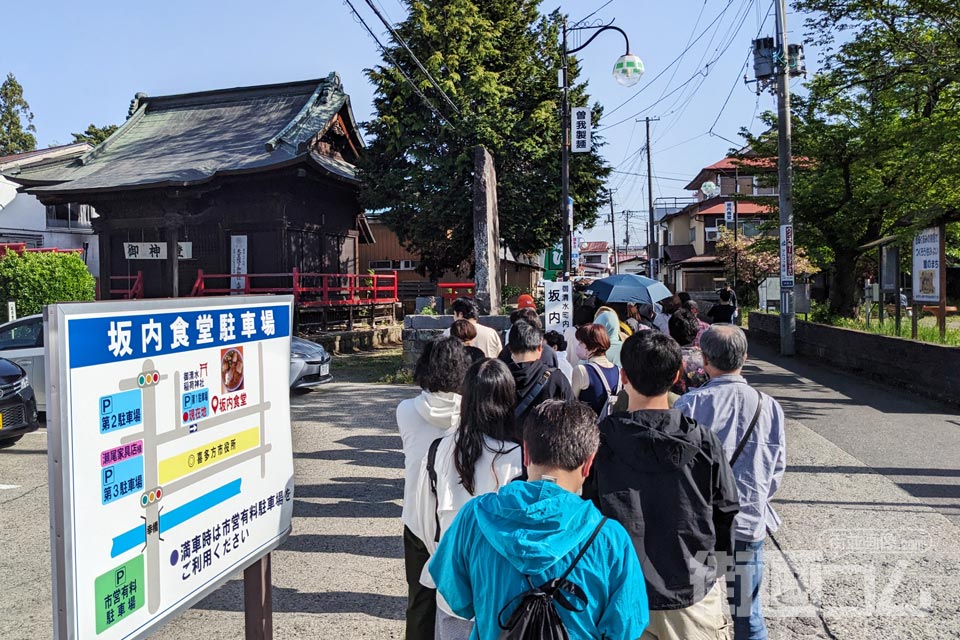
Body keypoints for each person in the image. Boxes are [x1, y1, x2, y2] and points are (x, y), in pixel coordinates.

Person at [429, 400, 650, 640]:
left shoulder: (474, 517)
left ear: (526, 453)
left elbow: (456, 597)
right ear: (588, 463)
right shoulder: (610, 539)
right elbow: (626, 627)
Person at [583, 331, 740, 640]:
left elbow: (587, 512)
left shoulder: (600, 440)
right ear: (677, 375)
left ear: (624, 376)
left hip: (621, 595)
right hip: (691, 592)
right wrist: (711, 568)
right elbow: (727, 510)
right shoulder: (704, 441)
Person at [674, 325, 787, 640]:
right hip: (749, 522)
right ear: (745, 358)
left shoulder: (689, 405)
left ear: (705, 360)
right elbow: (776, 467)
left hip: (701, 526)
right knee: (748, 615)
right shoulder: (769, 407)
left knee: (694, 612)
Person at [414, 358, 524, 638]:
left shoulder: (439, 448)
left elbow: (425, 523)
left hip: (453, 586)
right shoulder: (519, 456)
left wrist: (444, 553)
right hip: (506, 592)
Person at [396, 337, 471, 640]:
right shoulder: (470, 412)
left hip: (415, 515)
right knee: (460, 603)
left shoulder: (406, 410)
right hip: (456, 517)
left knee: (419, 600)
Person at [507, 319, 573, 425]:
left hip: (505, 440)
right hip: (545, 440)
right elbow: (572, 414)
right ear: (540, 348)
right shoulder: (555, 377)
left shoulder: (499, 377)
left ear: (510, 349)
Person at [571, 323, 621, 417]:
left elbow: (571, 404)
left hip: (588, 428)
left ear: (594, 347)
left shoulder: (581, 370)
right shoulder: (619, 372)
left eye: (581, 342)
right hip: (612, 428)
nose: (578, 345)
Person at [668, 309, 709, 396]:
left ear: (670, 332)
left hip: (673, 406)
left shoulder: (666, 358)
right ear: (696, 332)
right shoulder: (707, 359)